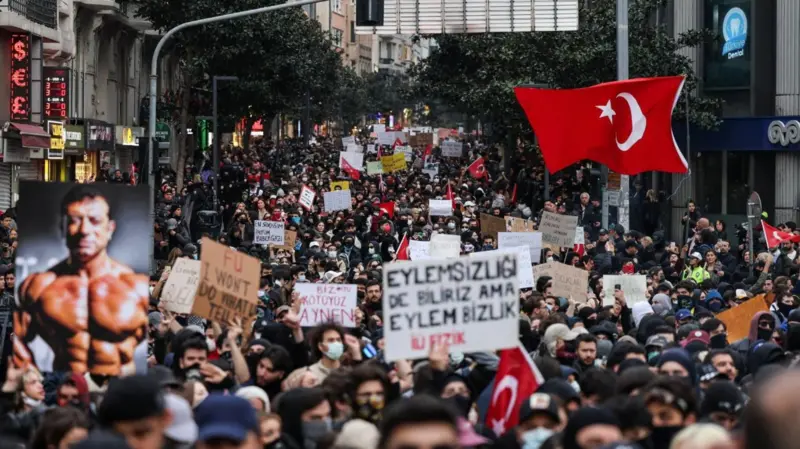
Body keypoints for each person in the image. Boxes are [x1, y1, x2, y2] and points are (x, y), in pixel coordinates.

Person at [14, 185, 149, 376]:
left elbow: (158, 339)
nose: (84, 230)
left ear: (109, 229)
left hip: (118, 393)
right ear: (63, 227)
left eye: (94, 221)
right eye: (74, 221)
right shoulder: (38, 287)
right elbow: (17, 345)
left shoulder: (137, 288)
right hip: (66, 390)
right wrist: (34, 379)